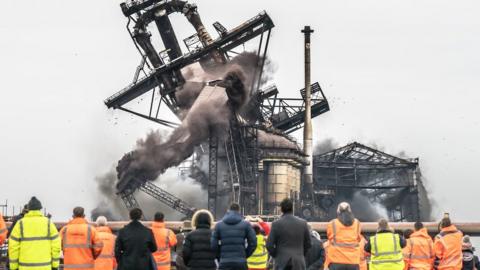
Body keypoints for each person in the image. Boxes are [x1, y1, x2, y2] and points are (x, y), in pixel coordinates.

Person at [8, 196, 61, 270]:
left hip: (24, 267)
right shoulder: (48, 223)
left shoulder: (20, 224)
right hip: (45, 267)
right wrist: (55, 265)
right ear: (40, 208)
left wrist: (13, 267)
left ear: (28, 209)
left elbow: (13, 247)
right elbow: (56, 247)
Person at [266, 198, 311, 270]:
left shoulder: (276, 224)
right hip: (298, 262)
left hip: (281, 262)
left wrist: (277, 255)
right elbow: (308, 244)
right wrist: (301, 254)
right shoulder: (303, 223)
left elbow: (269, 245)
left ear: (281, 209)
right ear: (292, 209)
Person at [211, 203, 257, 270]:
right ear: (239, 211)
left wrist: (220, 256)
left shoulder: (219, 225)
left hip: (224, 262)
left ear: (228, 210)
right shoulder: (246, 225)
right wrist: (244, 255)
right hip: (241, 263)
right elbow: (253, 243)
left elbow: (213, 245)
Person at [326, 202, 362, 270]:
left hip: (336, 261)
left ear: (338, 211)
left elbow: (329, 236)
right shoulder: (357, 223)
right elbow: (359, 238)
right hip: (353, 261)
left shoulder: (332, 223)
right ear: (350, 211)